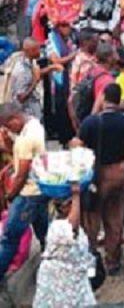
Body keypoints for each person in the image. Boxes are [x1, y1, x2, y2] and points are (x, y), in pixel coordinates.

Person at [77, 83, 124, 274]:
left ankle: (92, 259)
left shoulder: (91, 122)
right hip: (119, 171)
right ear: (119, 100)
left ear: (103, 97)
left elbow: (80, 147)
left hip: (97, 174)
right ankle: (113, 262)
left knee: (92, 218)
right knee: (115, 218)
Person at [0, 103, 48, 281]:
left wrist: (10, 195)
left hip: (27, 194)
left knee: (10, 237)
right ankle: (49, 263)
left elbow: (22, 174)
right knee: (44, 232)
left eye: (7, 125)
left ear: (14, 119)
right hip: (40, 189)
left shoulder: (26, 139)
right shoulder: (34, 124)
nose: (7, 129)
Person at [32, 182, 95, 308]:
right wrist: (76, 195)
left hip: (73, 281)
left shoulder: (60, 225)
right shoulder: (59, 228)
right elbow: (72, 228)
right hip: (60, 284)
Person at [10, 38, 61, 120]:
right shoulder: (21, 71)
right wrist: (35, 82)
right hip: (28, 114)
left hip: (34, 110)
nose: (38, 52)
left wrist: (51, 68)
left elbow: (33, 74)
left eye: (38, 48)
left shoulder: (28, 63)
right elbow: (20, 98)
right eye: (35, 50)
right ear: (27, 51)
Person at [46, 21, 79, 144]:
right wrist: (74, 55)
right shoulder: (51, 40)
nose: (68, 28)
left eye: (68, 25)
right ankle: (63, 137)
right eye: (64, 26)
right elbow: (56, 60)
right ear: (58, 27)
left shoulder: (74, 36)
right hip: (60, 79)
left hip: (73, 77)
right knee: (61, 107)